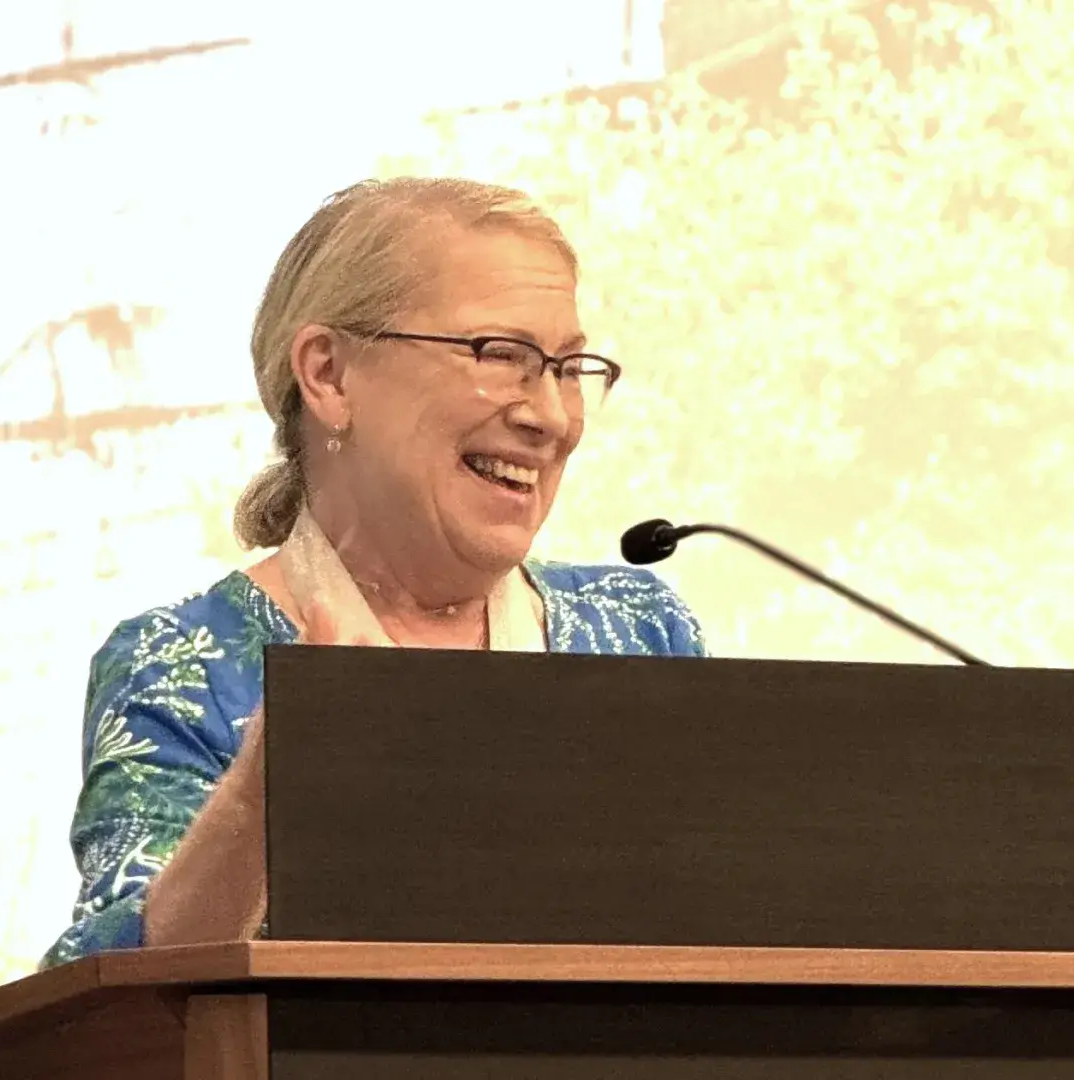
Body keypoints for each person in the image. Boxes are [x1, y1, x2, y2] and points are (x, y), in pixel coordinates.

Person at [39, 177, 706, 969]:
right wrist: (260, 798)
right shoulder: (182, 664)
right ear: (329, 375)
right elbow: (120, 995)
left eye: (567, 367)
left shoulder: (638, 631)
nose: (552, 417)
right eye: (502, 355)